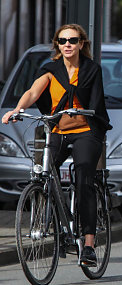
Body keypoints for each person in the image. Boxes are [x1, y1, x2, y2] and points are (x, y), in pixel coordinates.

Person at [1, 24, 111, 266]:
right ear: (57, 45)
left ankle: (89, 245)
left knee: (83, 177)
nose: (68, 44)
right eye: (63, 41)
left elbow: (96, 101)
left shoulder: (92, 69)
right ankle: (55, 221)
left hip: (86, 130)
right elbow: (32, 92)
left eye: (73, 40)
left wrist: (88, 115)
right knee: (44, 172)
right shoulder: (50, 70)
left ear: (82, 43)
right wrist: (17, 109)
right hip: (58, 130)